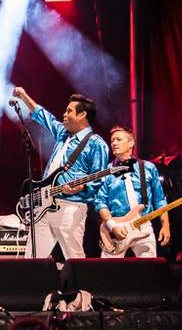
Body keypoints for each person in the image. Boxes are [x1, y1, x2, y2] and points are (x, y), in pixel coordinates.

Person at [11, 87, 109, 259]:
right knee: (33, 258)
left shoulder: (96, 144)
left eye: (69, 111)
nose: (64, 114)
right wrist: (24, 97)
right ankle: (32, 278)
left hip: (71, 207)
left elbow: (99, 180)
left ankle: (78, 279)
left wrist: (81, 188)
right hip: (45, 205)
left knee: (74, 258)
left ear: (82, 115)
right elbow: (44, 116)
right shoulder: (63, 134)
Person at [94, 126, 170, 258]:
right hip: (116, 228)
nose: (114, 143)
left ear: (131, 143)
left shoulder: (147, 167)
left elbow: (159, 200)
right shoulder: (107, 172)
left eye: (118, 139)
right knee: (108, 269)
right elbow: (100, 202)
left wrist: (165, 225)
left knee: (149, 268)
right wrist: (112, 226)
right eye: (112, 141)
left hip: (143, 226)